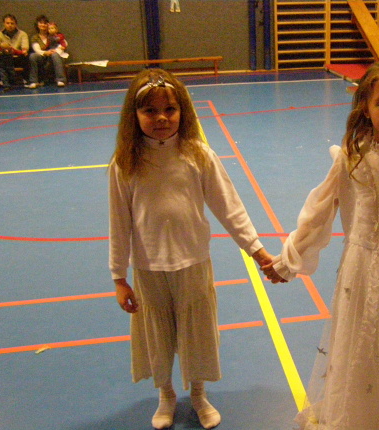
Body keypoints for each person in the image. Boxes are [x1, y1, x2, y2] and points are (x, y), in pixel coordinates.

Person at [262, 61, 379, 429]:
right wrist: (288, 261)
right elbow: (318, 212)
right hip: (359, 272)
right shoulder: (351, 159)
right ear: (365, 108)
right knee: (358, 343)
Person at [109, 68, 273, 429]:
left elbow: (230, 208)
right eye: (150, 111)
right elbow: (118, 224)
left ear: (183, 111)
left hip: (193, 263)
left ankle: (198, 394)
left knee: (196, 333)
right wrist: (119, 277)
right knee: (158, 336)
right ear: (134, 116)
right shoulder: (126, 163)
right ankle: (166, 394)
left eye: (170, 109)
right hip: (149, 268)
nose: (161, 118)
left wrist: (257, 250)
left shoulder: (199, 155)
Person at [27, 15, 67, 88]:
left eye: (45, 23)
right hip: (42, 57)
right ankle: (33, 81)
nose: (43, 25)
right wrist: (45, 52)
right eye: (40, 23)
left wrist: (57, 49)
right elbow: (37, 49)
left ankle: (61, 80)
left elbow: (64, 43)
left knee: (55, 55)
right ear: (37, 24)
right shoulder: (35, 37)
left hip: (54, 56)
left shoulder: (54, 34)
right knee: (33, 56)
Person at [0, 14, 29, 91]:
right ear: (4, 24)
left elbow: (25, 48)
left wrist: (13, 51)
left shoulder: (22, 34)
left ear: (16, 24)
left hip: (17, 58)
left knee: (27, 56)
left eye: (12, 23)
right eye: (7, 23)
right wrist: (2, 51)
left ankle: (26, 79)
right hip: (3, 57)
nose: (10, 25)